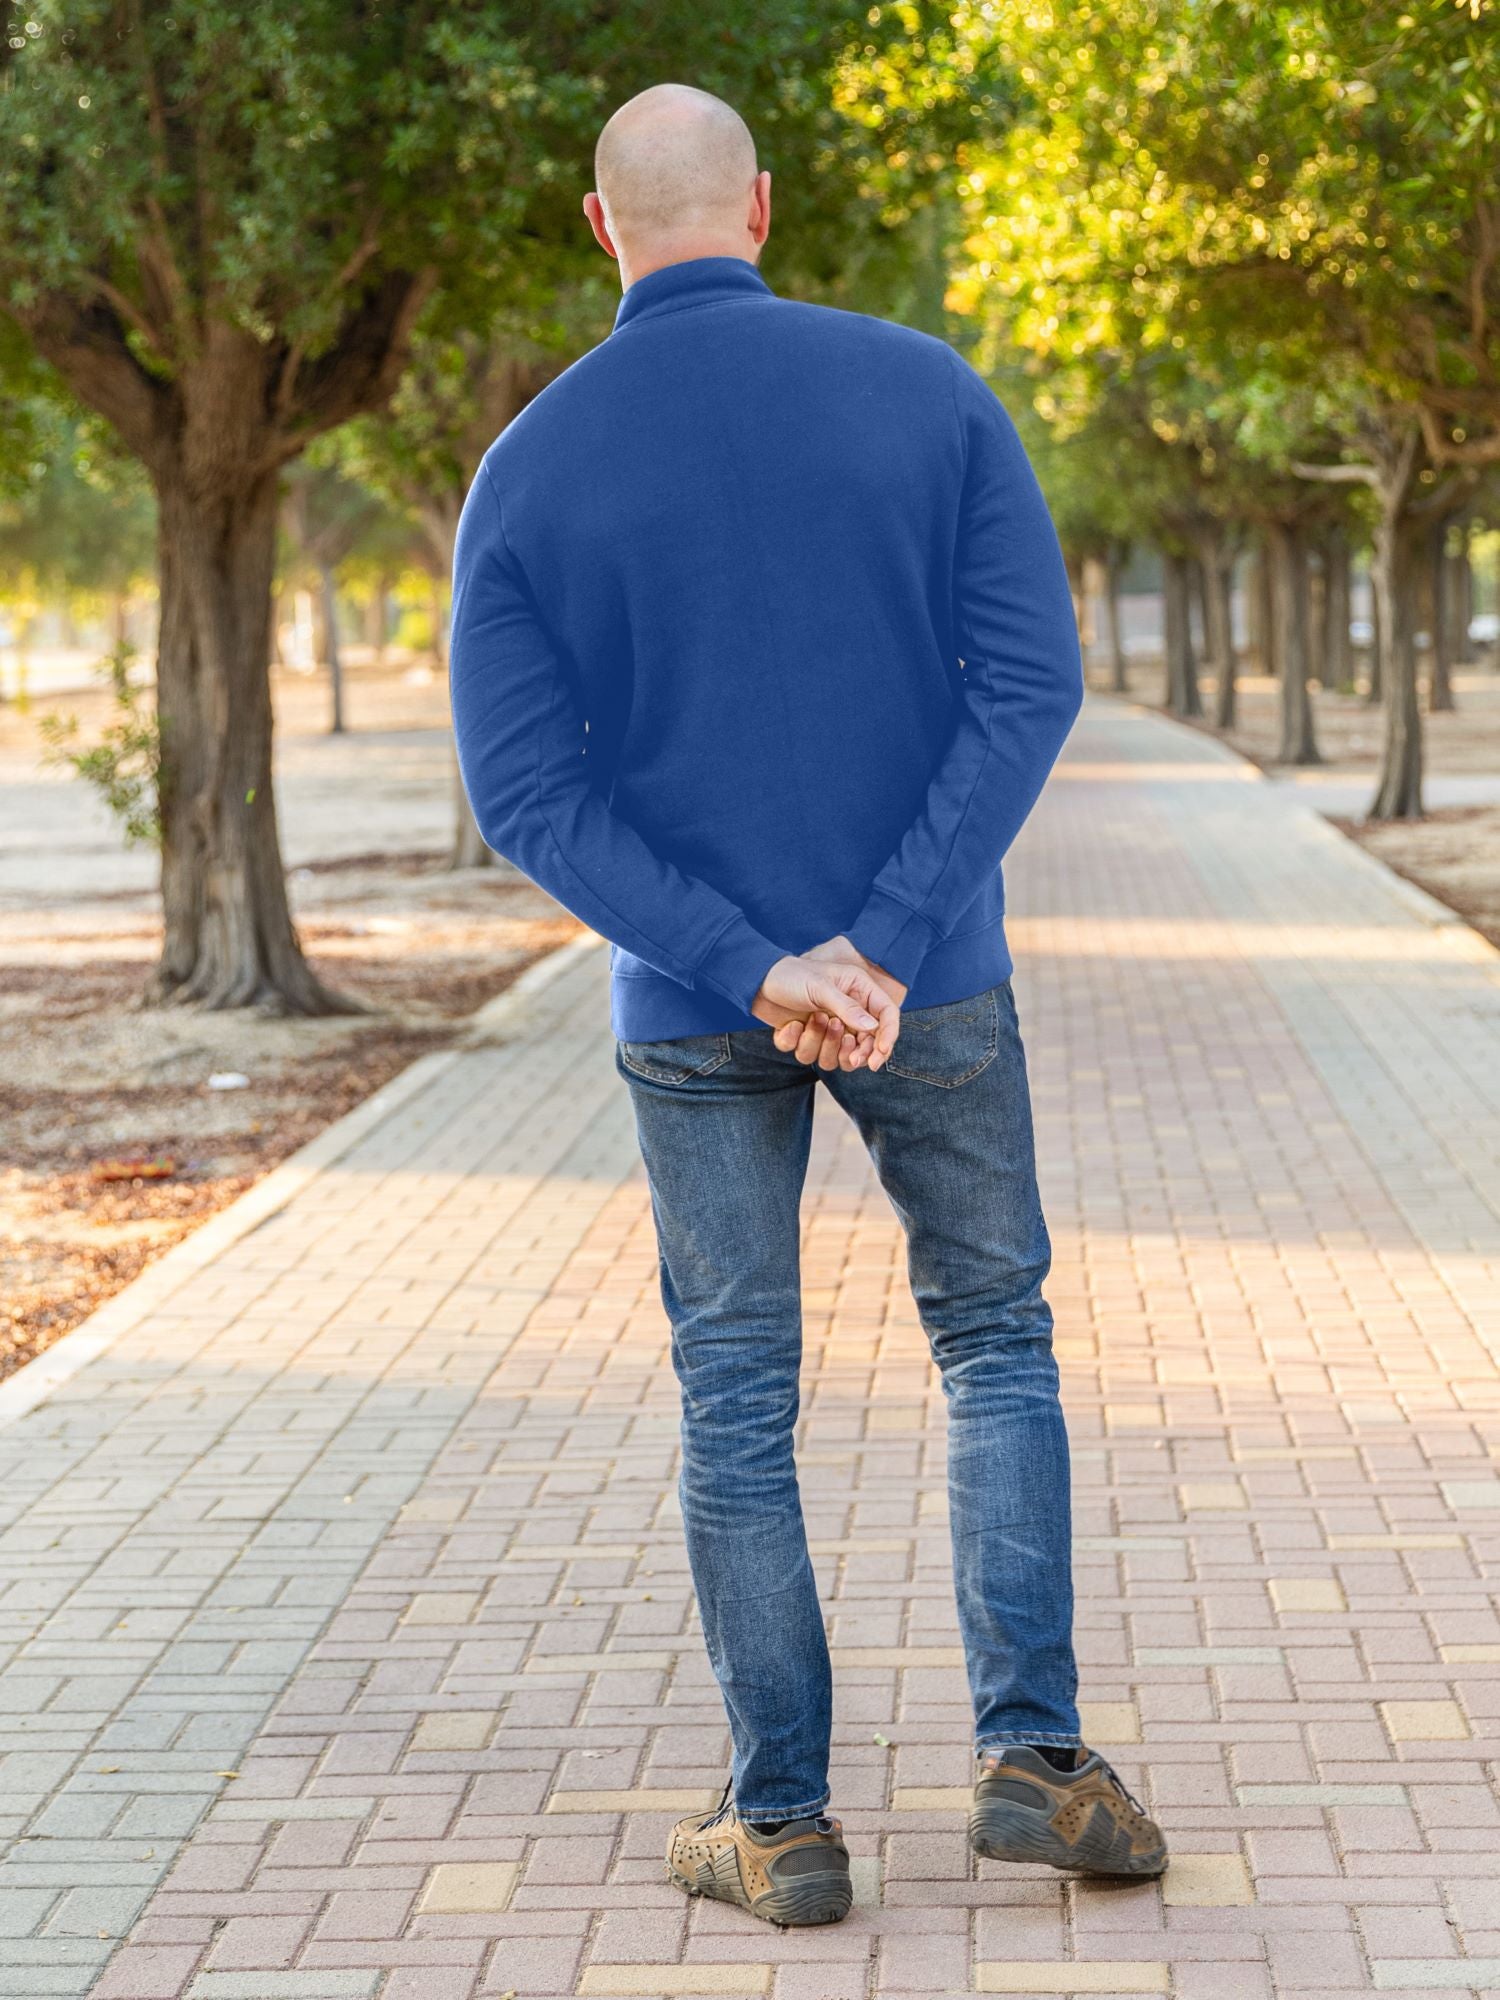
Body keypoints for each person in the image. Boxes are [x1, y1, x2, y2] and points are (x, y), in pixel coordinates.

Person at [450, 81, 1168, 1929]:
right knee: (994, 1339)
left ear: (602, 227)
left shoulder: (527, 467)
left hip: (696, 1009)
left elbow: (530, 799)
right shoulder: (927, 390)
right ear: (759, 205)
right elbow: (1029, 685)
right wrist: (887, 937)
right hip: (935, 983)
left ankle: (781, 1827)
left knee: (738, 1396)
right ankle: (1037, 1762)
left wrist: (758, 961)